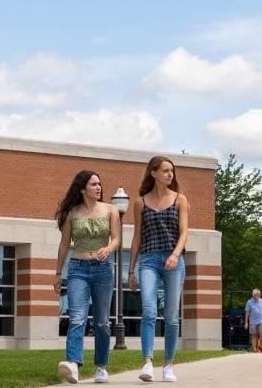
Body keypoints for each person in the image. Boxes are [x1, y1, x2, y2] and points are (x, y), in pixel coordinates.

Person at [54, 170, 121, 384]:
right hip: (77, 270)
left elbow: (117, 239)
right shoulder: (72, 213)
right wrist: (57, 273)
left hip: (103, 269)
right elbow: (65, 244)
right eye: (93, 184)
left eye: (99, 184)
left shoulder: (111, 210)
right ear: (82, 188)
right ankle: (73, 364)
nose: (98, 187)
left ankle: (101, 367)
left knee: (102, 323)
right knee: (76, 318)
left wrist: (108, 249)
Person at [128, 156, 189, 382]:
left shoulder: (179, 200)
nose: (170, 174)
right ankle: (147, 363)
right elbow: (136, 238)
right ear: (153, 173)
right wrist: (131, 270)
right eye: (165, 171)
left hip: (173, 261)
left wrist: (174, 255)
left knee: (172, 317)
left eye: (171, 171)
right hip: (149, 261)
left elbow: (184, 233)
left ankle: (168, 365)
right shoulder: (140, 203)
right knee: (149, 311)